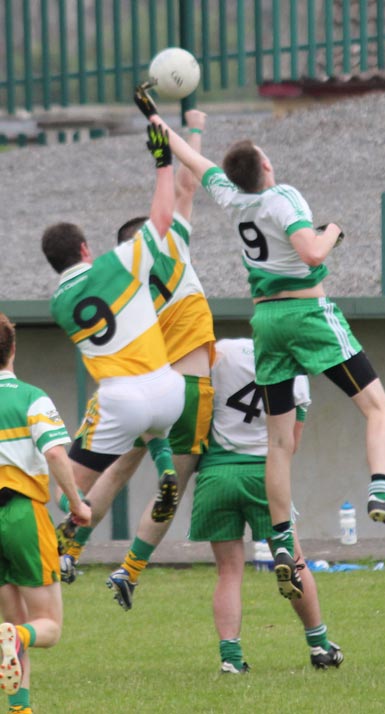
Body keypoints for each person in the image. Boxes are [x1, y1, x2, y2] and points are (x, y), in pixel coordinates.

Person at [132, 82, 385, 600]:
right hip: (307, 313)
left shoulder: (233, 199)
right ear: (266, 166)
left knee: (278, 443)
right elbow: (312, 252)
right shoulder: (281, 196)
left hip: (265, 322)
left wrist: (159, 125)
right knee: (379, 406)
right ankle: (382, 489)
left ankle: (284, 543)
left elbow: (195, 164)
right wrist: (334, 228)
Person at [57, 110, 216, 607]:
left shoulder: (123, 278)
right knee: (180, 476)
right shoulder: (175, 248)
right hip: (187, 385)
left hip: (141, 385)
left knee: (116, 470)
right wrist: (189, 129)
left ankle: (68, 550)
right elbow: (186, 187)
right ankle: (131, 569)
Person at [41, 123, 186, 540]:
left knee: (63, 495)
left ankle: (76, 523)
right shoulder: (119, 263)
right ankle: (166, 471)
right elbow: (160, 220)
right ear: (86, 249)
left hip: (122, 399)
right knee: (152, 424)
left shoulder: (58, 305)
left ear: (56, 263)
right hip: (169, 389)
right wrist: (162, 162)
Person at [189, 337, 343, 673]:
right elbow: (290, 445)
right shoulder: (295, 374)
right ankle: (319, 646)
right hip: (265, 476)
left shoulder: (222, 352)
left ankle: (230, 659)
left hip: (216, 474)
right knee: (294, 559)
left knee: (228, 572)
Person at [0, 312, 92, 714]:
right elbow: (55, 451)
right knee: (44, 627)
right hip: (21, 514)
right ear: (13, 349)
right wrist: (76, 502)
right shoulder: (31, 397)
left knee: (11, 623)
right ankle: (16, 640)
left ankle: (20, 709)